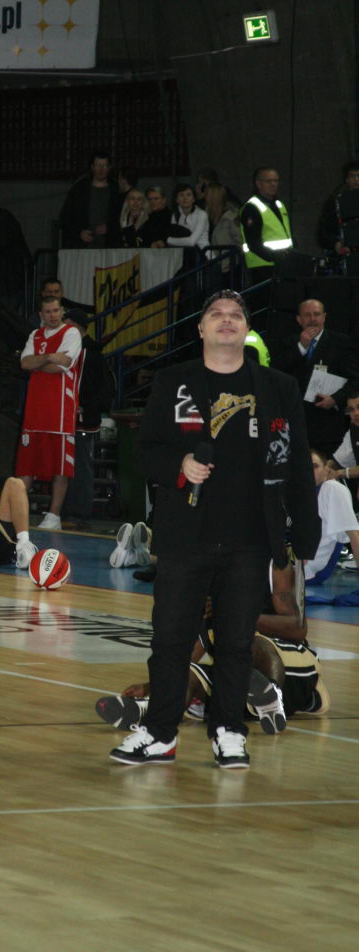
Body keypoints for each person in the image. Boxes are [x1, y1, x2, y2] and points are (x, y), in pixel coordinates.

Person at [109, 290, 320, 770]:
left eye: (236, 315)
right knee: (170, 638)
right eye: (216, 315)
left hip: (251, 537)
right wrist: (180, 464)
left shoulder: (279, 387)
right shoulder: (173, 382)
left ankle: (229, 731)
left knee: (236, 641)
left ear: (246, 329)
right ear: (201, 328)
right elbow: (144, 454)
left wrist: (305, 531)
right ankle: (159, 733)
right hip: (186, 534)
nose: (227, 321)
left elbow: (297, 465)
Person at [99, 556, 328, 733]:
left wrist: (235, 613)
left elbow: (298, 629)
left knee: (248, 642)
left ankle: (275, 694)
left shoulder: (276, 564)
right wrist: (152, 686)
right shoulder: (207, 567)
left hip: (289, 662)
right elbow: (199, 641)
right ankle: (148, 712)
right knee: (189, 675)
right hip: (239, 673)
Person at [16, 295, 82, 531]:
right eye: (48, 312)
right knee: (26, 465)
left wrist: (39, 362)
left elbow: (62, 366)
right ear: (41, 314)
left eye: (56, 311)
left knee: (60, 467)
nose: (52, 315)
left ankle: (54, 516)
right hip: (35, 411)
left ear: (62, 311)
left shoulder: (72, 333)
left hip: (60, 411)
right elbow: (24, 363)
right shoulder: (35, 335)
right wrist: (47, 356)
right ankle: (15, 512)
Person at [272, 299, 359, 456]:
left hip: (329, 425)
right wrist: (302, 346)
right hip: (296, 423)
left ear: (324, 317)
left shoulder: (341, 343)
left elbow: (355, 379)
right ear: (299, 319)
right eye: (307, 315)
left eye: (317, 314)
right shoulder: (288, 343)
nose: (312, 319)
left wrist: (335, 398)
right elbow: (275, 372)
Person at [59, 307, 116, 526]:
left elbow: (90, 386)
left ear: (75, 326)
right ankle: (70, 512)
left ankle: (77, 513)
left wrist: (83, 406)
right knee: (73, 465)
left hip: (80, 418)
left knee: (79, 465)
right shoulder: (86, 351)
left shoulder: (85, 353)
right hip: (77, 416)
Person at [306, 450, 359, 584]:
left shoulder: (332, 489)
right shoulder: (297, 492)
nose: (309, 471)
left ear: (327, 470)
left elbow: (354, 534)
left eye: (315, 466)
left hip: (308, 569)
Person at [239, 166, 293, 290]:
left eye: (276, 180)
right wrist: (275, 257)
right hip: (262, 265)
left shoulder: (279, 205)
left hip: (283, 263)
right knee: (265, 298)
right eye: (269, 181)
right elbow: (253, 242)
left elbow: (286, 233)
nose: (274, 184)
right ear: (259, 184)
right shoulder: (252, 207)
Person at [59, 152, 122, 249]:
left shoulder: (117, 190)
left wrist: (110, 228)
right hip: (82, 248)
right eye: (97, 165)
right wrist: (79, 233)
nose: (101, 169)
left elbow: (124, 217)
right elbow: (66, 217)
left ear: (109, 168)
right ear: (92, 167)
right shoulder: (79, 189)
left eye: (104, 165)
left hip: (110, 247)